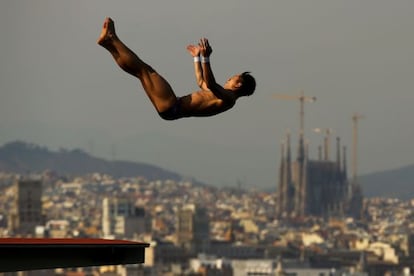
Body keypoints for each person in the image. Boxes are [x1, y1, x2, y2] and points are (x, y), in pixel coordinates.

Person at [97, 17, 256, 120]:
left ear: (238, 85)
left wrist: (206, 58)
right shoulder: (221, 95)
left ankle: (112, 39)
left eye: (233, 77)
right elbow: (201, 81)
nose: (229, 78)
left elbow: (211, 83)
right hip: (171, 108)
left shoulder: (229, 99)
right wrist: (197, 57)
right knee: (140, 72)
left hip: (173, 106)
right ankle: (109, 44)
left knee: (145, 70)